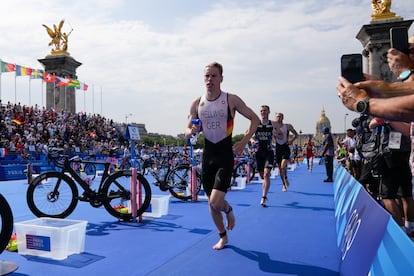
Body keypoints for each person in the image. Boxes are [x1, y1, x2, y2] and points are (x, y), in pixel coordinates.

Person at [185, 62, 260, 250]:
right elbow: (187, 130)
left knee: (215, 201)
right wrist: (191, 130)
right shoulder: (197, 103)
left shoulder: (231, 100)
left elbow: (255, 119)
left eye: (213, 76)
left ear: (221, 78)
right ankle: (223, 236)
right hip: (208, 155)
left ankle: (229, 209)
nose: (209, 80)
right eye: (206, 76)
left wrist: (243, 142)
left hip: (225, 154)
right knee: (211, 205)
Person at [253, 105, 274, 207]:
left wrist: (278, 135)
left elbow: (280, 134)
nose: (263, 112)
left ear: (268, 112)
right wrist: (253, 141)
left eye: (265, 111)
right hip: (259, 153)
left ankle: (264, 197)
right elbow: (248, 135)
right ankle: (264, 190)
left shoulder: (272, 124)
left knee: (266, 174)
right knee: (263, 176)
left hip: (269, 152)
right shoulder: (256, 123)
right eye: (261, 111)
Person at [273, 112, 298, 191]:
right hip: (278, 148)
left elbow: (296, 134)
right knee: (280, 169)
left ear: (282, 118)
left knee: (283, 165)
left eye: (280, 117)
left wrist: (291, 140)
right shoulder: (273, 127)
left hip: (285, 147)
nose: (278, 118)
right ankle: (284, 183)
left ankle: (285, 178)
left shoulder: (287, 126)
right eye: (277, 117)